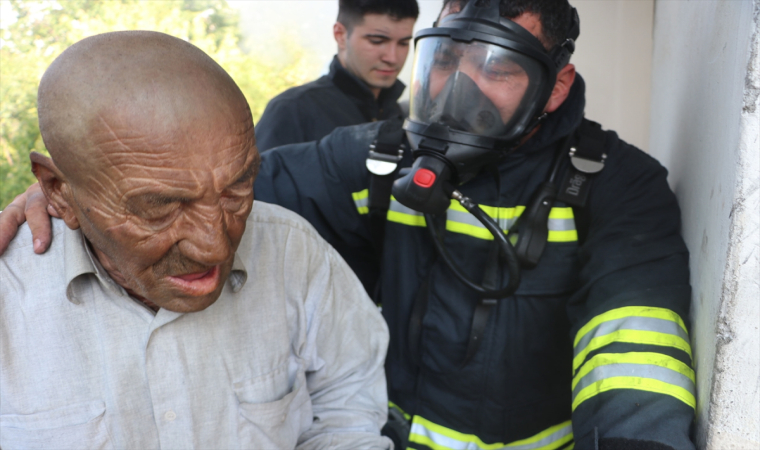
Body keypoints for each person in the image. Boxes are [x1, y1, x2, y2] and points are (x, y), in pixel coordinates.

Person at [0, 1, 698, 449]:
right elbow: (206, 182)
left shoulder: (615, 185)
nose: (461, 86)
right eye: (447, 57)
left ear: (557, 86)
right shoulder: (378, 159)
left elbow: (632, 363)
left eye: (496, 67)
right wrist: (72, 206)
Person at [0, 31, 392, 449]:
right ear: (59, 190)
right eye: (159, 207)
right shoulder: (11, 292)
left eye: (237, 190)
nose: (217, 247)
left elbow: (348, 413)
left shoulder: (294, 254)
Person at [253, 0, 418, 151]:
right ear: (340, 35)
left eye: (404, 43)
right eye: (377, 40)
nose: (393, 58)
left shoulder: (406, 116)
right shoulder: (291, 111)